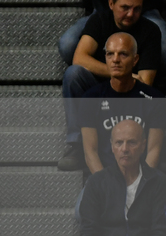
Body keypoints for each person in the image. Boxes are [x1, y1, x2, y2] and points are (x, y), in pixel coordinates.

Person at [57, 0, 161, 171]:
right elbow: (79, 58)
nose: (130, 14)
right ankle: (76, 144)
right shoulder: (100, 20)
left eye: (137, 9)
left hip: (129, 91)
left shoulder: (150, 30)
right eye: (125, 8)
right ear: (111, 4)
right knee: (73, 74)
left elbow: (145, 82)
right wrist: (117, 73)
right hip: (100, 89)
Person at [78, 33, 164, 174]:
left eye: (123, 54)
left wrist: (139, 187)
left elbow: (154, 152)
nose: (115, 60)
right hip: (104, 179)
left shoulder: (155, 99)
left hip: (143, 179)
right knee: (82, 197)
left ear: (135, 59)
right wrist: (108, 186)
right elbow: (90, 153)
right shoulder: (90, 98)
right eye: (110, 54)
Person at [58, 0, 166, 70]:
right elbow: (78, 58)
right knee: (68, 44)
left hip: (145, 10)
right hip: (102, 9)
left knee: (164, 48)